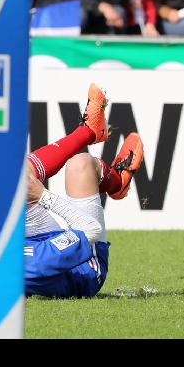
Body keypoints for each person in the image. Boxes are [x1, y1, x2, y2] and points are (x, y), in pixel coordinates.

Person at [25, 83, 143, 298]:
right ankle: (116, 181)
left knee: (15, 179)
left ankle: (89, 132)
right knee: (81, 164)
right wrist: (42, 196)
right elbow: (91, 230)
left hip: (40, 243)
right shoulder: (31, 262)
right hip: (83, 267)